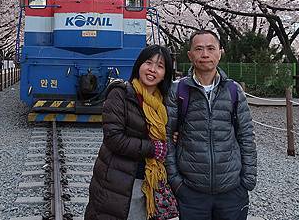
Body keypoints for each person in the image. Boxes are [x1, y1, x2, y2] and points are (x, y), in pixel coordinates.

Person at [164, 30, 257, 220]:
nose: (205, 54)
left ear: (220, 52)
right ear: (190, 55)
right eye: (198, 49)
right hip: (191, 190)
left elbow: (246, 135)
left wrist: (247, 180)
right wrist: (176, 181)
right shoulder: (178, 90)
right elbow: (166, 136)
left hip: (232, 189)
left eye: (210, 48)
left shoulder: (233, 90)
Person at [85, 44, 174, 220]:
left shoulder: (165, 102)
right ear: (139, 65)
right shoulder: (120, 94)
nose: (153, 69)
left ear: (166, 73)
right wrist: (153, 148)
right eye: (149, 63)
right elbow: (114, 138)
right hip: (119, 179)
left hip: (151, 180)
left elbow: (169, 135)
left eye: (160, 66)